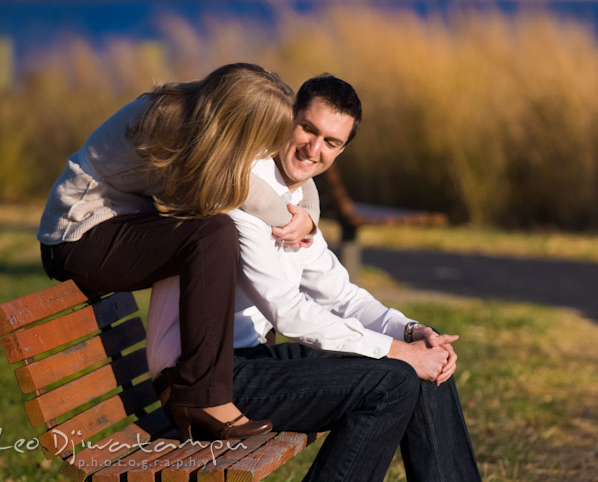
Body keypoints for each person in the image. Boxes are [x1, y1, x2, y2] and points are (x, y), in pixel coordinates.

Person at [147, 74, 481, 481]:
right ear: (288, 119)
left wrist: (410, 332)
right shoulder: (239, 188)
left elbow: (342, 296)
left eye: (331, 142)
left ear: (341, 151)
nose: (314, 149)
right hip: (205, 381)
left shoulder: (298, 200)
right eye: (308, 129)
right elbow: (287, 311)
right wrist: (397, 352)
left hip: (253, 360)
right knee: (391, 382)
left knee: (422, 366)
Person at [37, 63, 321, 441]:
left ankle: (239, 369)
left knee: (213, 232)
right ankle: (199, 396)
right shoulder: (171, 124)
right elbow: (244, 189)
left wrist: (311, 217)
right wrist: (297, 218)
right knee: (210, 234)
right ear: (239, 121)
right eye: (264, 138)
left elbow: (290, 176)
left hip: (127, 223)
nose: (268, 150)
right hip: (78, 235)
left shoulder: (209, 116)